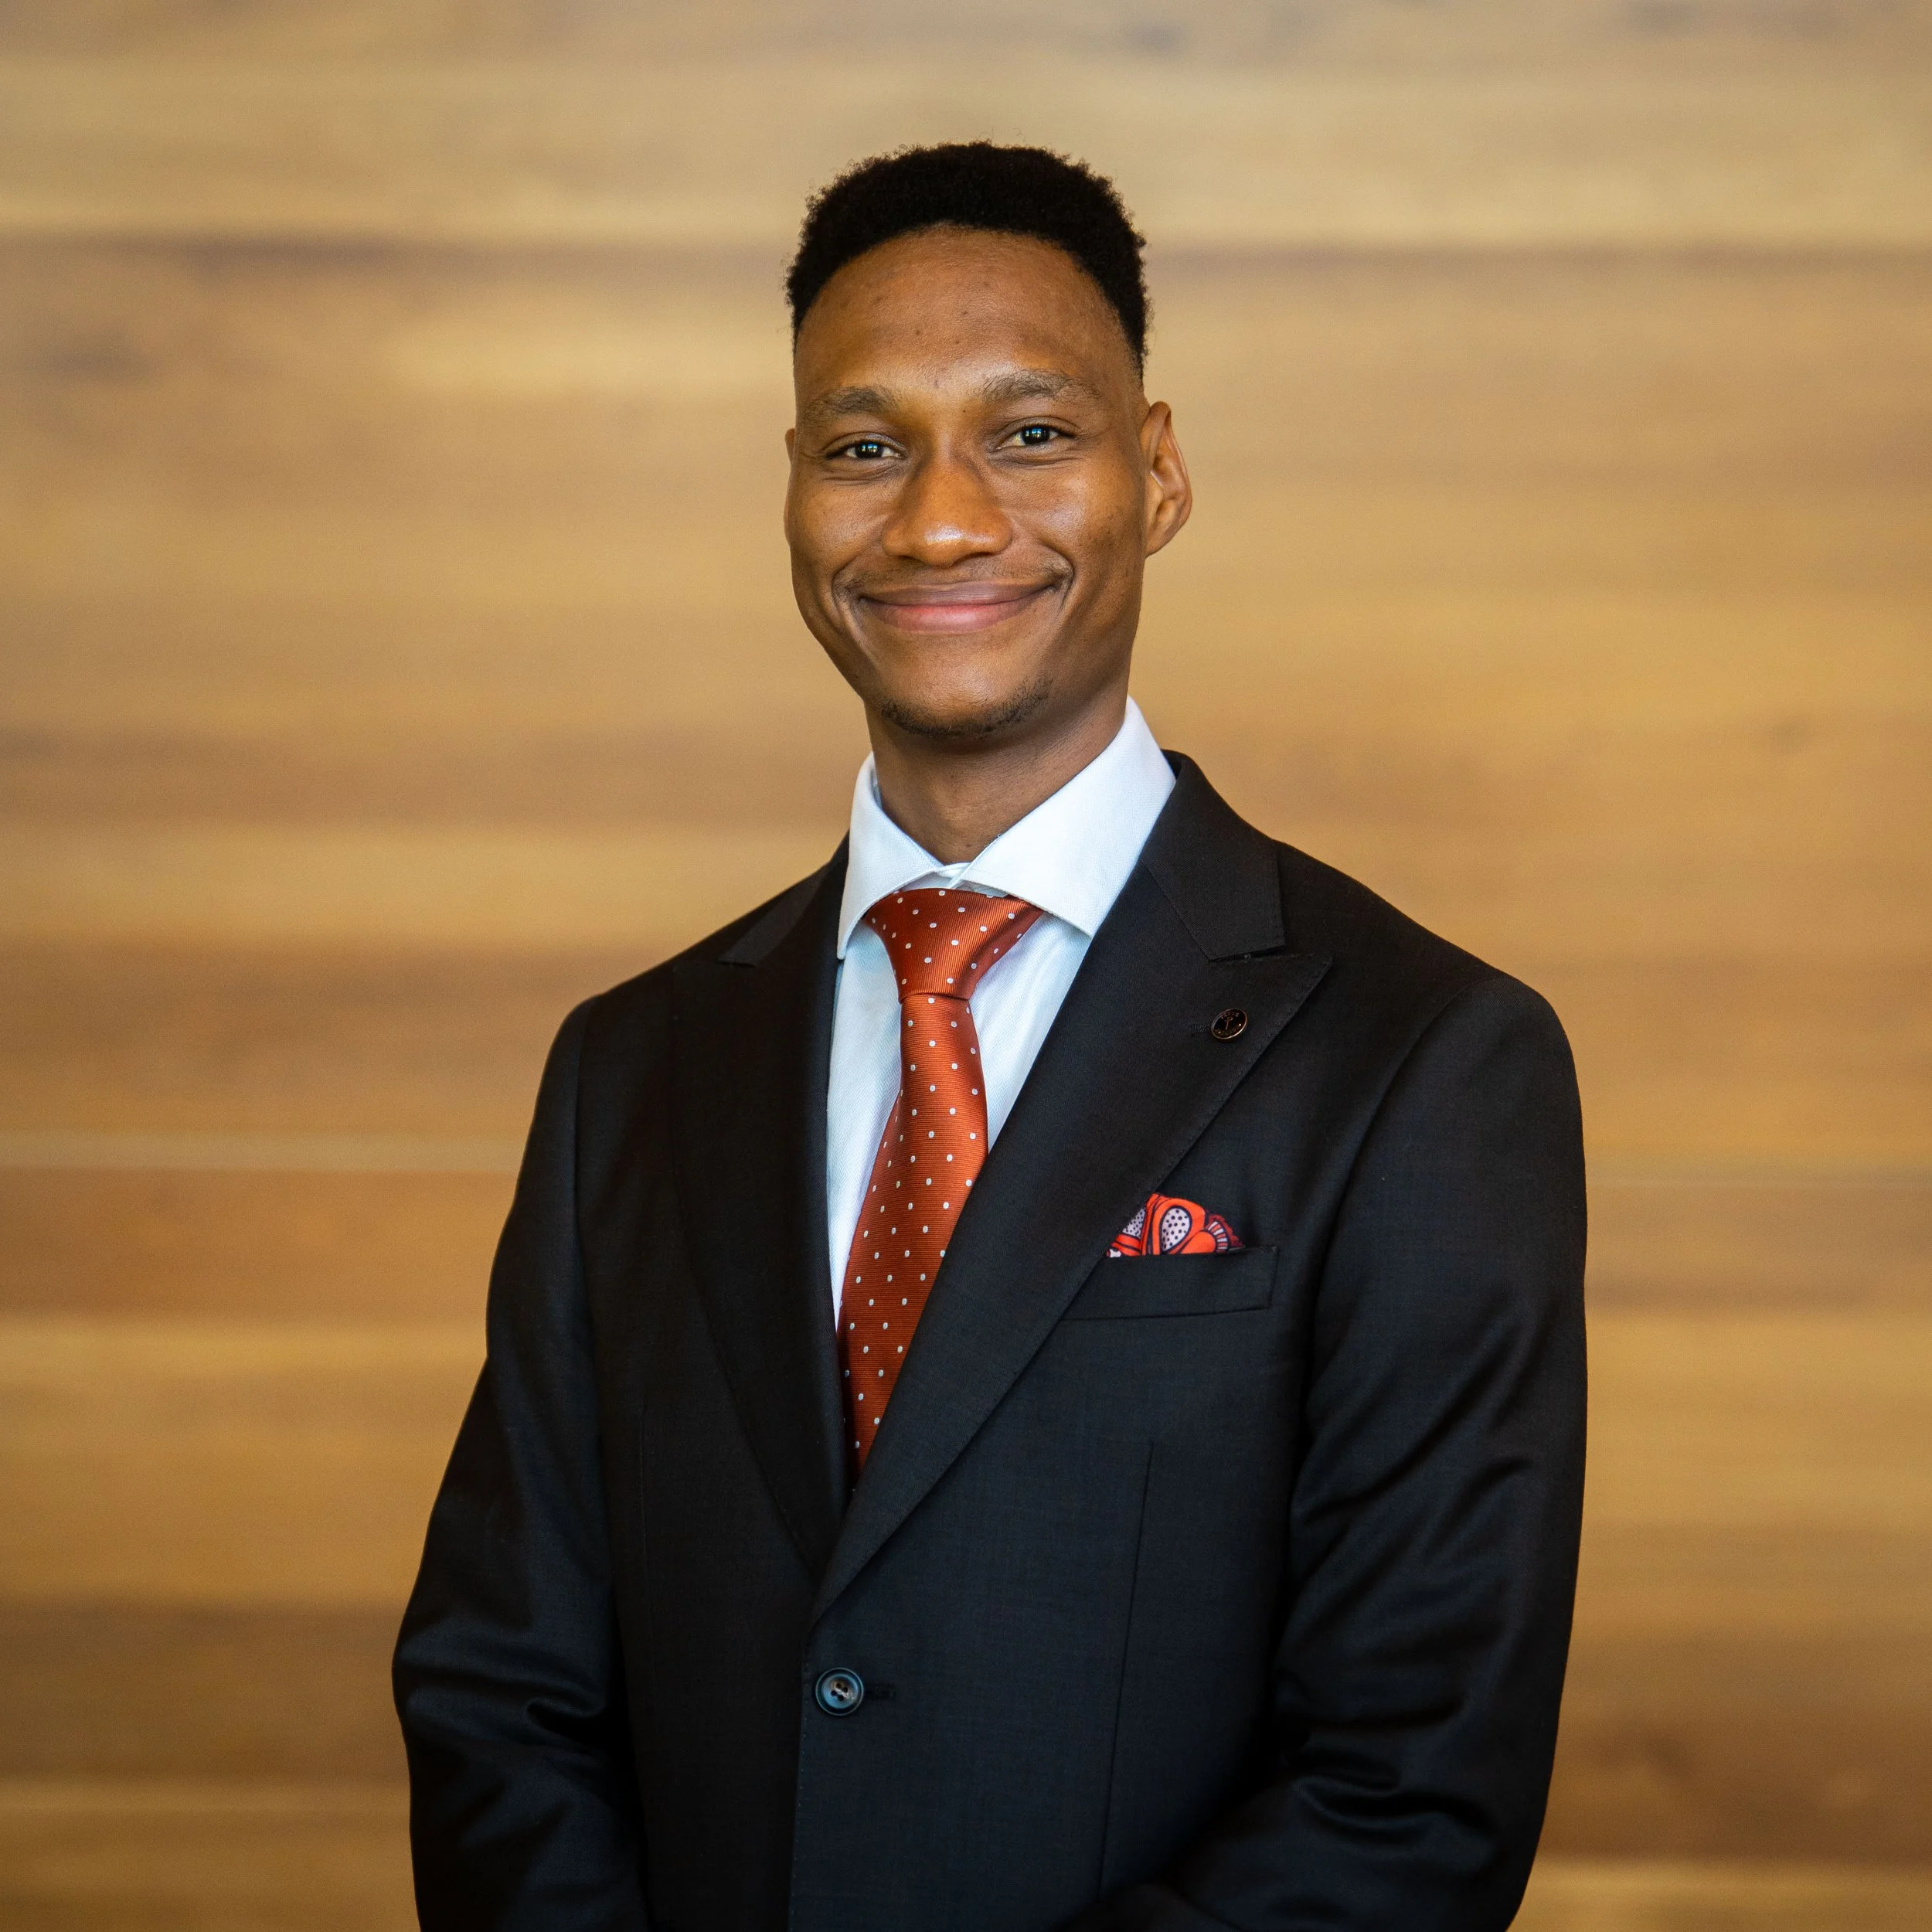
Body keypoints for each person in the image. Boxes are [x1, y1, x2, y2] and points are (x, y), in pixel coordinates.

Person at [394, 142, 1587, 1932]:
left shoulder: (1420, 1059)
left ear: (1156, 472)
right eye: (861, 447)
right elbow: (500, 1699)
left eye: (1029, 432)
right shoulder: (630, 1069)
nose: (939, 521)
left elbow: (1405, 1789)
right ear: (793, 489)